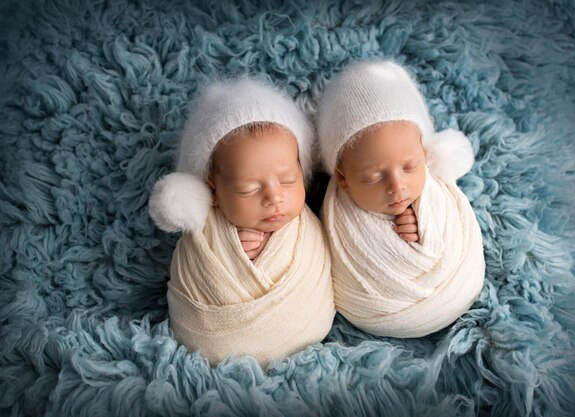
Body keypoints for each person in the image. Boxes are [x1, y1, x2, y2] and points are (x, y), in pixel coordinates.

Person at [148, 77, 335, 366]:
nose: (274, 197)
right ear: (213, 190)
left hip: (307, 327)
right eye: (249, 189)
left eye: (288, 180)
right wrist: (234, 254)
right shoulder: (204, 235)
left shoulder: (308, 229)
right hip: (213, 340)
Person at [317, 59, 485, 338]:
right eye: (373, 177)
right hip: (380, 311)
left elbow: (444, 218)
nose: (397, 186)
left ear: (426, 153)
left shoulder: (435, 191)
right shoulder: (336, 217)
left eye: (410, 167)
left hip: (457, 282)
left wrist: (425, 225)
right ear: (343, 178)